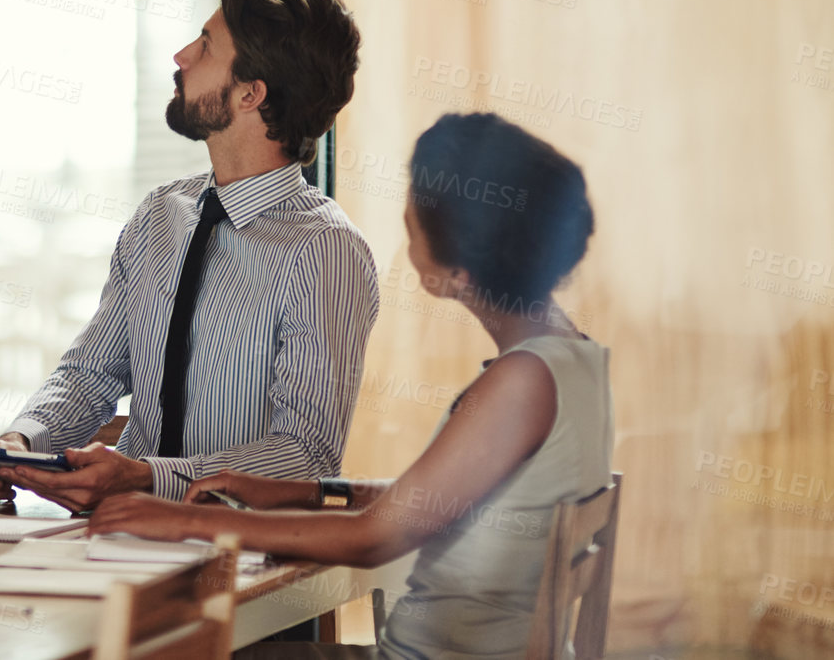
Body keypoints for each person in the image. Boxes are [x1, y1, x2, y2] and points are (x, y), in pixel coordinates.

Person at [89, 113, 611, 660]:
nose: (405, 212)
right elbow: (438, 500)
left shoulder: (520, 384)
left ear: (461, 270)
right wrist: (307, 492)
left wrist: (187, 520)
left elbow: (376, 538)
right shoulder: (572, 358)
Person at [0, 0, 378, 511]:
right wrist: (21, 443)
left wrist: (147, 479)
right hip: (115, 533)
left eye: (206, 47)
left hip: (242, 556)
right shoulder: (162, 214)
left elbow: (306, 455)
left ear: (251, 94)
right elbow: (91, 372)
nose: (181, 55)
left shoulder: (325, 251)